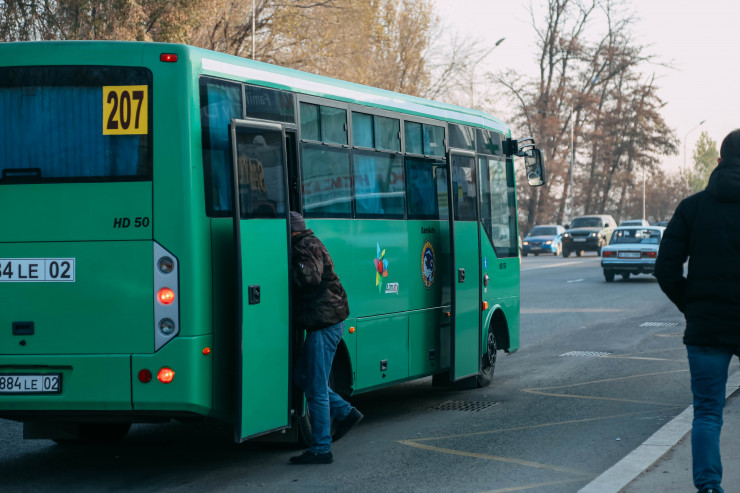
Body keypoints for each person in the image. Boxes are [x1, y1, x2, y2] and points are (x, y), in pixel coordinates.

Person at [654, 128, 740, 493]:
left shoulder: (692, 208)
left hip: (706, 327)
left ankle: (708, 487)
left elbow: (666, 268)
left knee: (707, 412)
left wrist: (691, 304)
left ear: (718, 162)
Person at [288, 211, 363, 465]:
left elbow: (310, 277)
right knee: (303, 377)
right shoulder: (310, 243)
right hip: (326, 322)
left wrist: (286, 271)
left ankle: (321, 448)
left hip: (323, 324)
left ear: (291, 230)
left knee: (316, 389)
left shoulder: (303, 247)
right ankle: (345, 412)